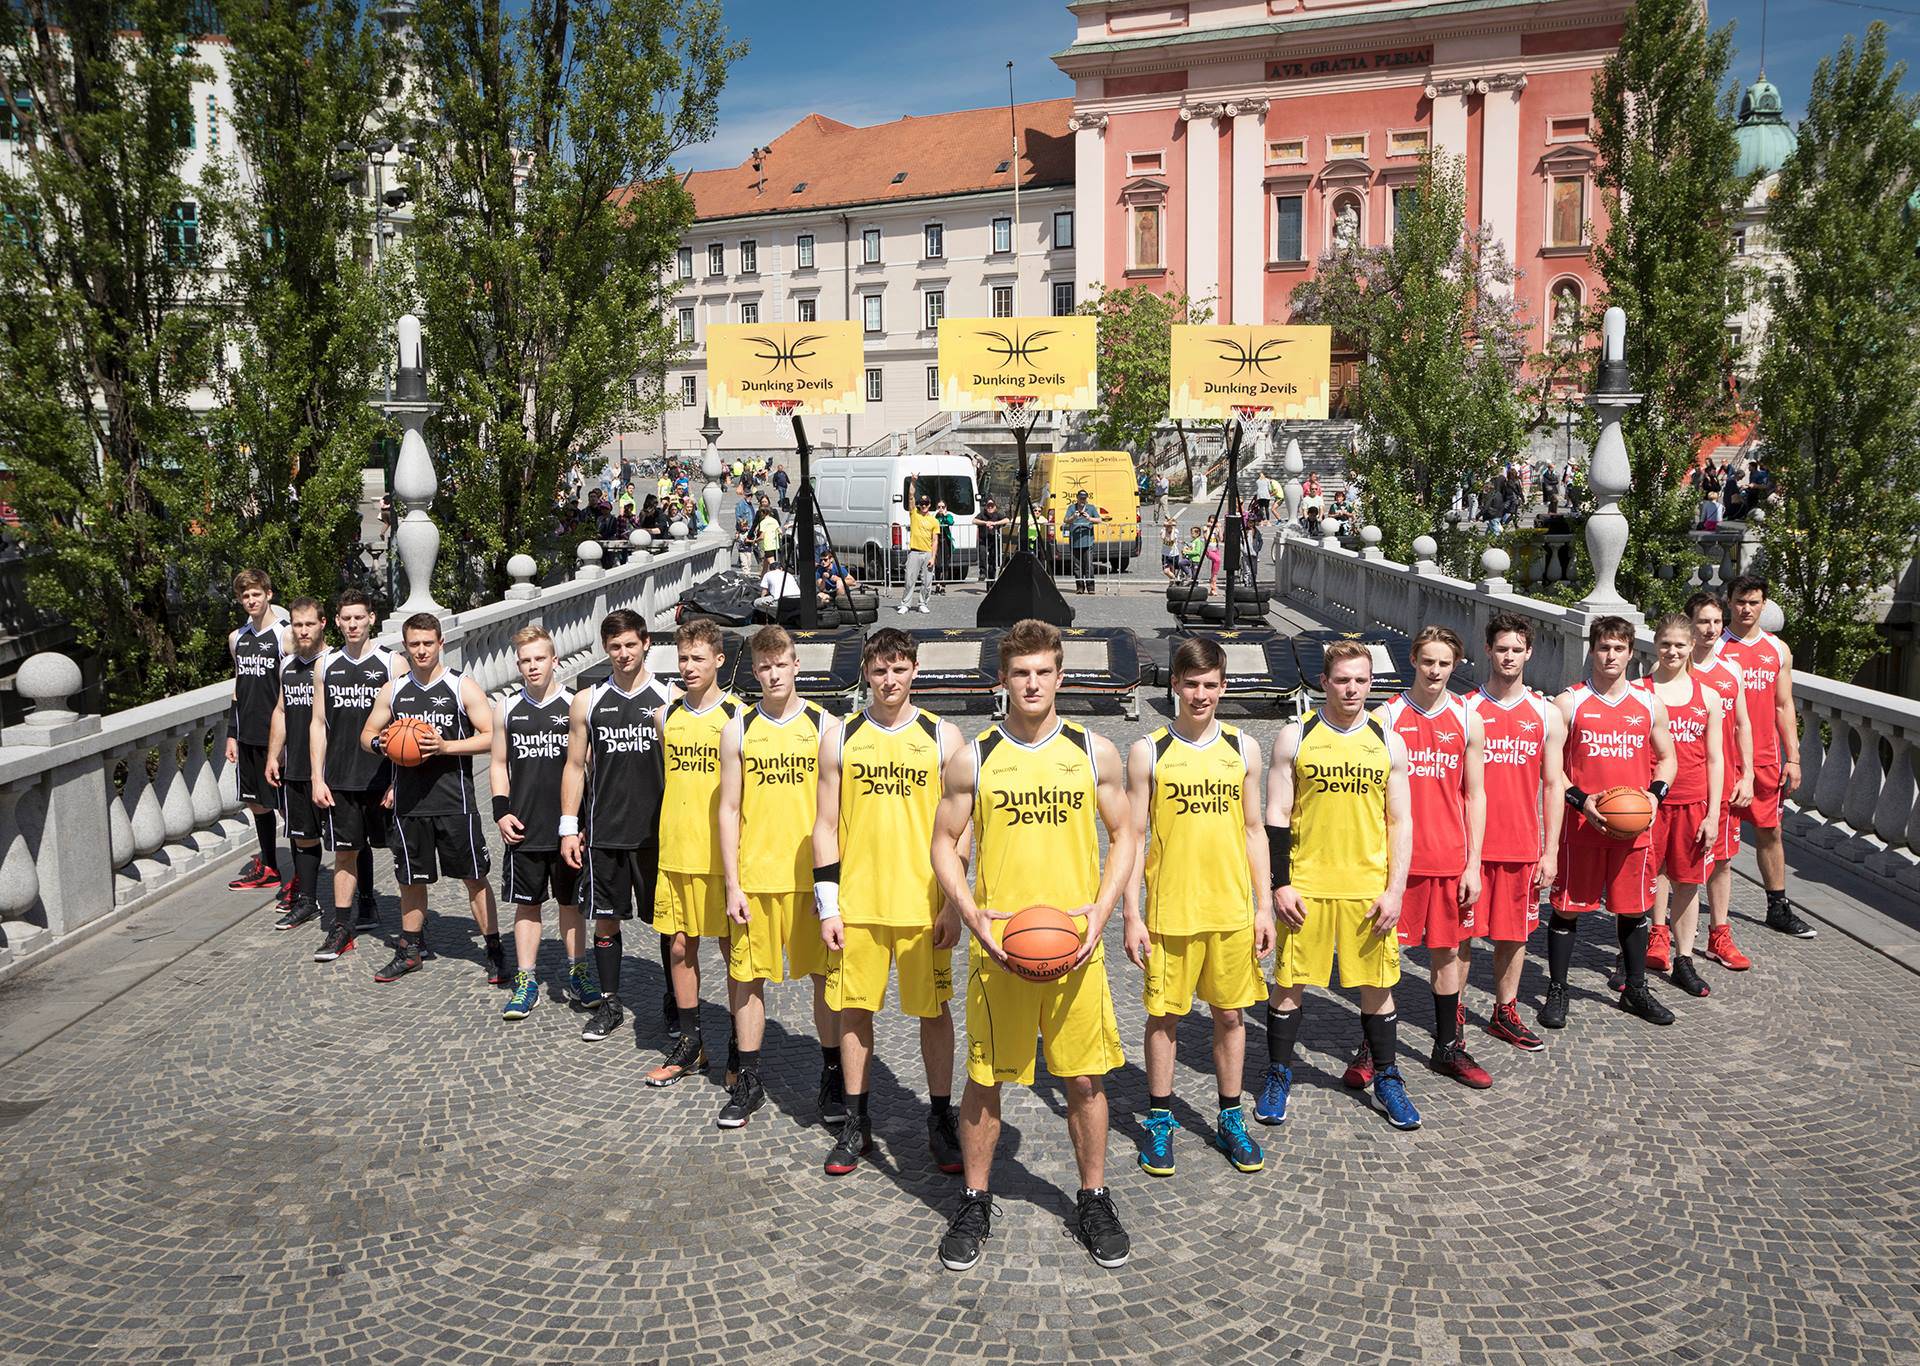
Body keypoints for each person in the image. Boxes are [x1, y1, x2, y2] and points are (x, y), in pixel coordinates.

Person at [930, 620, 1137, 1272]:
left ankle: (1093, 1196)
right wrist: (971, 915)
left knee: (1083, 1078)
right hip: (1001, 953)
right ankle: (974, 1198)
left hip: (1075, 950)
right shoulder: (976, 758)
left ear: (1060, 675)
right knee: (984, 1080)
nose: (1032, 683)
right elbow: (942, 843)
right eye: (1021, 673)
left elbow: (1127, 835)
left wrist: (1101, 915)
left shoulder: (1092, 751)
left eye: (1043, 671)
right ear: (1003, 679)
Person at [814, 629, 966, 1176]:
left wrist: (953, 903)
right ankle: (857, 1120)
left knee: (934, 1012)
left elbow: (960, 830)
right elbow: (825, 825)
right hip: (859, 903)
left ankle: (941, 1117)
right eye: (879, 670)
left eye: (899, 669)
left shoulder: (943, 737)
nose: (889, 680)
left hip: (922, 905)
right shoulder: (840, 737)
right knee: (854, 1009)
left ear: (915, 671)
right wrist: (827, 903)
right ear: (865, 673)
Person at [1122, 638, 1272, 1177]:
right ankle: (1160, 1119)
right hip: (1169, 913)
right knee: (1164, 1018)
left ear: (1223, 687)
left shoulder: (1244, 748)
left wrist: (1263, 907)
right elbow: (1132, 837)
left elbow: (1255, 830)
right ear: (1175, 686)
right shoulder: (1149, 751)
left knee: (1230, 1015)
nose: (1200, 694)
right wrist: (1131, 913)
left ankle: (1231, 1116)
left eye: (1211, 684)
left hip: (1231, 911)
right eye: (1191, 684)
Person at [1256, 640, 1419, 1131]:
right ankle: (1278, 1072)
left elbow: (1401, 822)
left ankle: (1388, 1076)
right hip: (1306, 886)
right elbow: (1277, 814)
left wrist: (1395, 891)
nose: (1352, 689)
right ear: (1323, 682)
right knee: (1288, 985)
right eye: (1343, 680)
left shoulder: (1388, 740)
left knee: (1378, 985)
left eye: (1361, 680)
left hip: (1367, 889)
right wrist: (1279, 885)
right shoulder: (1295, 736)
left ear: (1372, 683)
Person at [1352, 627, 1488, 1091]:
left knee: (1446, 955)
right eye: (1427, 661)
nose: (1434, 671)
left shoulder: (1468, 716)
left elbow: (1475, 795)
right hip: (1396, 862)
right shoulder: (1386, 716)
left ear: (1455, 666)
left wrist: (1474, 863)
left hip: (1449, 857)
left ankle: (1447, 1046)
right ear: (1413, 659)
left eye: (1444, 664)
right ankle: (1372, 1047)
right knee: (1382, 957)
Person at [715, 626, 841, 1129]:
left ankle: (832, 1076)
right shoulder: (738, 729)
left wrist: (832, 886)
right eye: (763, 666)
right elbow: (728, 809)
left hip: (810, 882)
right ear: (754, 670)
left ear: (796, 664)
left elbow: (837, 814)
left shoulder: (825, 725)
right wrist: (731, 882)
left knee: (824, 979)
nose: (772, 674)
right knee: (745, 979)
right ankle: (748, 1079)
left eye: (780, 663)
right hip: (756, 877)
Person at [1541, 616, 1678, 1030]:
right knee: (1566, 911)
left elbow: (1668, 758)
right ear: (1593, 651)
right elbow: (1550, 769)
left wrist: (1654, 795)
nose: (1611, 655)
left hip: (1632, 828)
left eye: (1619, 648)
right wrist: (1582, 803)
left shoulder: (1649, 703)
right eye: (1604, 648)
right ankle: (1558, 988)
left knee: (1634, 910)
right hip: (1581, 827)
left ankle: (1635, 988)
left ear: (1631, 653)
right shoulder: (1569, 703)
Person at [359, 614, 502, 986]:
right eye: (414, 644)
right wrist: (384, 745)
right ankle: (410, 951)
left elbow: (491, 737)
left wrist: (444, 747)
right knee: (410, 881)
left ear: (440, 643)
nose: (421, 650)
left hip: (456, 801)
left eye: (427, 643)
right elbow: (367, 734)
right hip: (409, 805)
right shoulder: (395, 689)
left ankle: (494, 950)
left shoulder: (461, 687)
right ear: (405, 647)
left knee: (474, 877)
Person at [559, 611, 674, 1044]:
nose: (623, 654)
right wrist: (569, 826)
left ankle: (674, 1000)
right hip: (604, 831)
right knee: (605, 923)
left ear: (645, 643)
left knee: (670, 925)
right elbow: (573, 767)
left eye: (630, 644)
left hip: (657, 834)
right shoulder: (587, 701)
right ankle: (609, 1003)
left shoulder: (669, 697)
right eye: (614, 647)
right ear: (605, 650)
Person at [1463, 613, 1565, 1052]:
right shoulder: (1466, 709)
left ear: (1529, 652)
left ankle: (1505, 1011)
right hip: (1469, 846)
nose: (1508, 656)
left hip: (1522, 844)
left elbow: (1554, 785)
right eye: (1500, 648)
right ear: (1487, 651)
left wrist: (1552, 851)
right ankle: (1454, 1011)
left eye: (1516, 649)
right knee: (1460, 936)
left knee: (1514, 934)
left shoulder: (1546, 713)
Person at [648, 619, 743, 1085]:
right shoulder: (666, 717)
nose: (688, 667)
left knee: (733, 953)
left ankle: (737, 1044)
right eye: (683, 658)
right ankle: (691, 1042)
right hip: (676, 853)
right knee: (681, 947)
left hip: (720, 860)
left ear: (718, 661)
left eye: (698, 658)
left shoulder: (738, 718)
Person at [491, 625, 593, 1023]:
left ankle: (578, 972)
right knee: (527, 906)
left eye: (539, 659)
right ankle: (526, 980)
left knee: (571, 904)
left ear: (555, 661)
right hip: (525, 826)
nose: (533, 667)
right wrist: (502, 811)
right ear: (517, 665)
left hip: (567, 829)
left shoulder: (574, 705)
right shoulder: (506, 709)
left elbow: (588, 768)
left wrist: (582, 822)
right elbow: (498, 764)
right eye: (525, 661)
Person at [1628, 615, 1724, 1000]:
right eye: (1666, 644)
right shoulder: (1639, 692)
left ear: (1691, 648)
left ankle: (1684, 958)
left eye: (1679, 645)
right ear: (1656, 644)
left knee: (1687, 882)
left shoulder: (1708, 696)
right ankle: (1637, 955)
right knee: (1639, 881)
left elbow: (1716, 758)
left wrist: (1714, 813)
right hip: (1648, 804)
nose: (1672, 652)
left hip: (1692, 802)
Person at [1718, 575, 1815, 939]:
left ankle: (1778, 906)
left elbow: (1784, 704)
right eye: (1741, 601)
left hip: (1765, 758)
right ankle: (1690, 910)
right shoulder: (1714, 647)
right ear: (1729, 602)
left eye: (1754, 602)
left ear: (1764, 606)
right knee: (1710, 837)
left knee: (1770, 831)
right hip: (1723, 760)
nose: (1746, 608)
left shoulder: (1778, 649)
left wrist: (1794, 757)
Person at [308, 591, 398, 958]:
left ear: (372, 619)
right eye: (346, 619)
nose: (352, 625)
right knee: (344, 852)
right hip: (341, 777)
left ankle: (412, 932)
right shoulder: (325, 664)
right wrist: (317, 777)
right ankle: (342, 927)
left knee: (403, 855)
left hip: (383, 777)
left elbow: (404, 725)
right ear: (338, 621)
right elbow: (317, 724)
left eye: (359, 618)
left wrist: (398, 779)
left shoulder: (392, 664)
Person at [1684, 591, 1755, 972]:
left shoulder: (1732, 671)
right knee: (1673, 863)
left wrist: (1748, 774)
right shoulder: (1678, 668)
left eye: (1716, 622)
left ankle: (1719, 934)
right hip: (1684, 782)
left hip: (1723, 780)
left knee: (1722, 860)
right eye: (1703, 622)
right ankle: (1664, 933)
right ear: (1689, 625)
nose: (1711, 629)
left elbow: (1744, 724)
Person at [263, 598, 328, 934]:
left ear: (322, 624)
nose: (303, 631)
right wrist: (274, 756)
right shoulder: (287, 666)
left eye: (309, 624)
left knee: (350, 843)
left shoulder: (332, 664)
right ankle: (307, 899)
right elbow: (281, 712)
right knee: (303, 837)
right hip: (297, 766)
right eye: (297, 625)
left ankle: (364, 901)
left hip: (333, 770)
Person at [226, 568, 292, 899]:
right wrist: (231, 734)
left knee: (286, 805)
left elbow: (295, 685)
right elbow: (239, 687)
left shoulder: (285, 635)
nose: (251, 600)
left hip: (277, 736)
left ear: (269, 594)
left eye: (256, 594)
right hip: (248, 734)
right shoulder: (237, 638)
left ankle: (299, 875)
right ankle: (269, 866)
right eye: (245, 596)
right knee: (256, 803)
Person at [898, 478, 937, 614]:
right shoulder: (914, 514)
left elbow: (935, 540)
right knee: (909, 579)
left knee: (927, 581)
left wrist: (933, 557)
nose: (924, 506)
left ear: (930, 505)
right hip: (914, 552)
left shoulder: (934, 520)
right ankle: (905, 604)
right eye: (922, 504)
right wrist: (913, 482)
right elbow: (910, 497)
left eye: (926, 504)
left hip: (927, 552)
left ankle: (923, 603)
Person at [1063, 488, 1100, 595]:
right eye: (1081, 498)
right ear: (1077, 498)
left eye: (1084, 498)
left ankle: (1090, 587)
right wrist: (1073, 517)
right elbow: (1065, 520)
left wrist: (1089, 518)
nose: (1082, 500)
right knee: (1077, 566)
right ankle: (1079, 587)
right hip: (1075, 541)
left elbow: (1099, 520)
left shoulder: (1091, 508)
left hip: (1088, 541)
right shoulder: (1071, 508)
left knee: (1088, 565)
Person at [974, 496, 1008, 582]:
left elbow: (1007, 520)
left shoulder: (997, 514)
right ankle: (982, 573)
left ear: (995, 507)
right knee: (982, 555)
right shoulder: (982, 514)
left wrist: (995, 523)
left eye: (991, 506)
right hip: (983, 540)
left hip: (994, 540)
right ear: (986, 507)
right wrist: (985, 523)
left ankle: (991, 581)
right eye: (988, 506)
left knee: (993, 560)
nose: (990, 507)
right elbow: (974, 520)